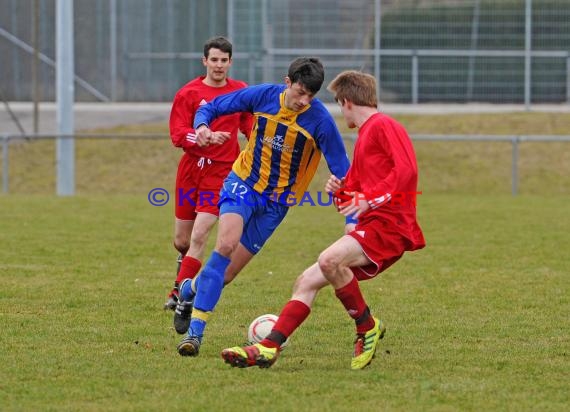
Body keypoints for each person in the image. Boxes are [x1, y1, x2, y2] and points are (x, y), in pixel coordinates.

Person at [220, 70, 426, 370]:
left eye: (339, 105)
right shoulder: (366, 135)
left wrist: (370, 199)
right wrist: (340, 191)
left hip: (390, 226)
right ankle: (268, 347)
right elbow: (353, 199)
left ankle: (366, 327)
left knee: (330, 260)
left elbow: (406, 171)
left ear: (347, 101)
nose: (342, 114)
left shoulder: (384, 125)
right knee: (306, 281)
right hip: (373, 224)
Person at [175, 57, 354, 357]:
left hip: (276, 204)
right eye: (299, 92)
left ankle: (189, 290)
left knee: (227, 275)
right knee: (225, 246)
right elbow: (211, 107)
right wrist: (202, 126)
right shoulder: (263, 96)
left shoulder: (320, 121)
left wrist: (348, 198)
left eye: (310, 95)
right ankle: (195, 334)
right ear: (287, 82)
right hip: (242, 184)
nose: (303, 100)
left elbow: (342, 168)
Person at [165, 36, 253, 317]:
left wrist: (259, 145)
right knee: (183, 240)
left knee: (200, 235)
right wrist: (201, 137)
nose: (218, 65)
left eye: (223, 60)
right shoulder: (188, 93)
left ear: (230, 63)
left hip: (221, 171)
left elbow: (249, 125)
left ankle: (181, 293)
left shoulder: (239, 92)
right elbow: (177, 133)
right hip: (191, 169)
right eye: (213, 60)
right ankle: (184, 268)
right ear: (205, 61)